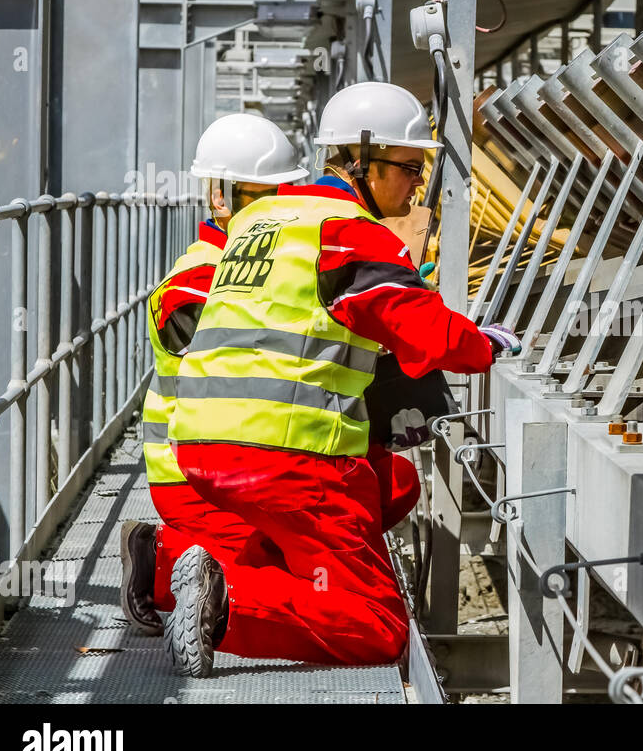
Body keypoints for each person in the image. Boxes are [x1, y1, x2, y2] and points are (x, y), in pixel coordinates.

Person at [165, 81, 520, 676]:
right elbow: (425, 333)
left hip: (205, 448)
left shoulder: (264, 222)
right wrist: (485, 344)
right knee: (380, 626)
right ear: (362, 159)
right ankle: (227, 606)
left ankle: (229, 575)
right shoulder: (349, 231)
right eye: (407, 168)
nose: (415, 185)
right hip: (286, 453)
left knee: (391, 484)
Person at [120, 113, 307, 637]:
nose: (275, 215)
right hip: (193, 476)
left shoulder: (269, 267)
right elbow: (234, 347)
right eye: (259, 198)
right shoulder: (194, 279)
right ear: (218, 197)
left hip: (244, 467)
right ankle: (156, 557)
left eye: (283, 199)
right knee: (264, 577)